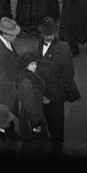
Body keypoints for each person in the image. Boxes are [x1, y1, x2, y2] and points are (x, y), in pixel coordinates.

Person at [32, 16, 81, 153]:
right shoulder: (41, 43)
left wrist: (55, 94)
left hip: (55, 92)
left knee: (56, 120)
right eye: (45, 34)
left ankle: (57, 146)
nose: (48, 37)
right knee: (45, 117)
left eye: (51, 34)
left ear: (55, 33)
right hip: (43, 90)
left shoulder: (63, 48)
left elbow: (68, 73)